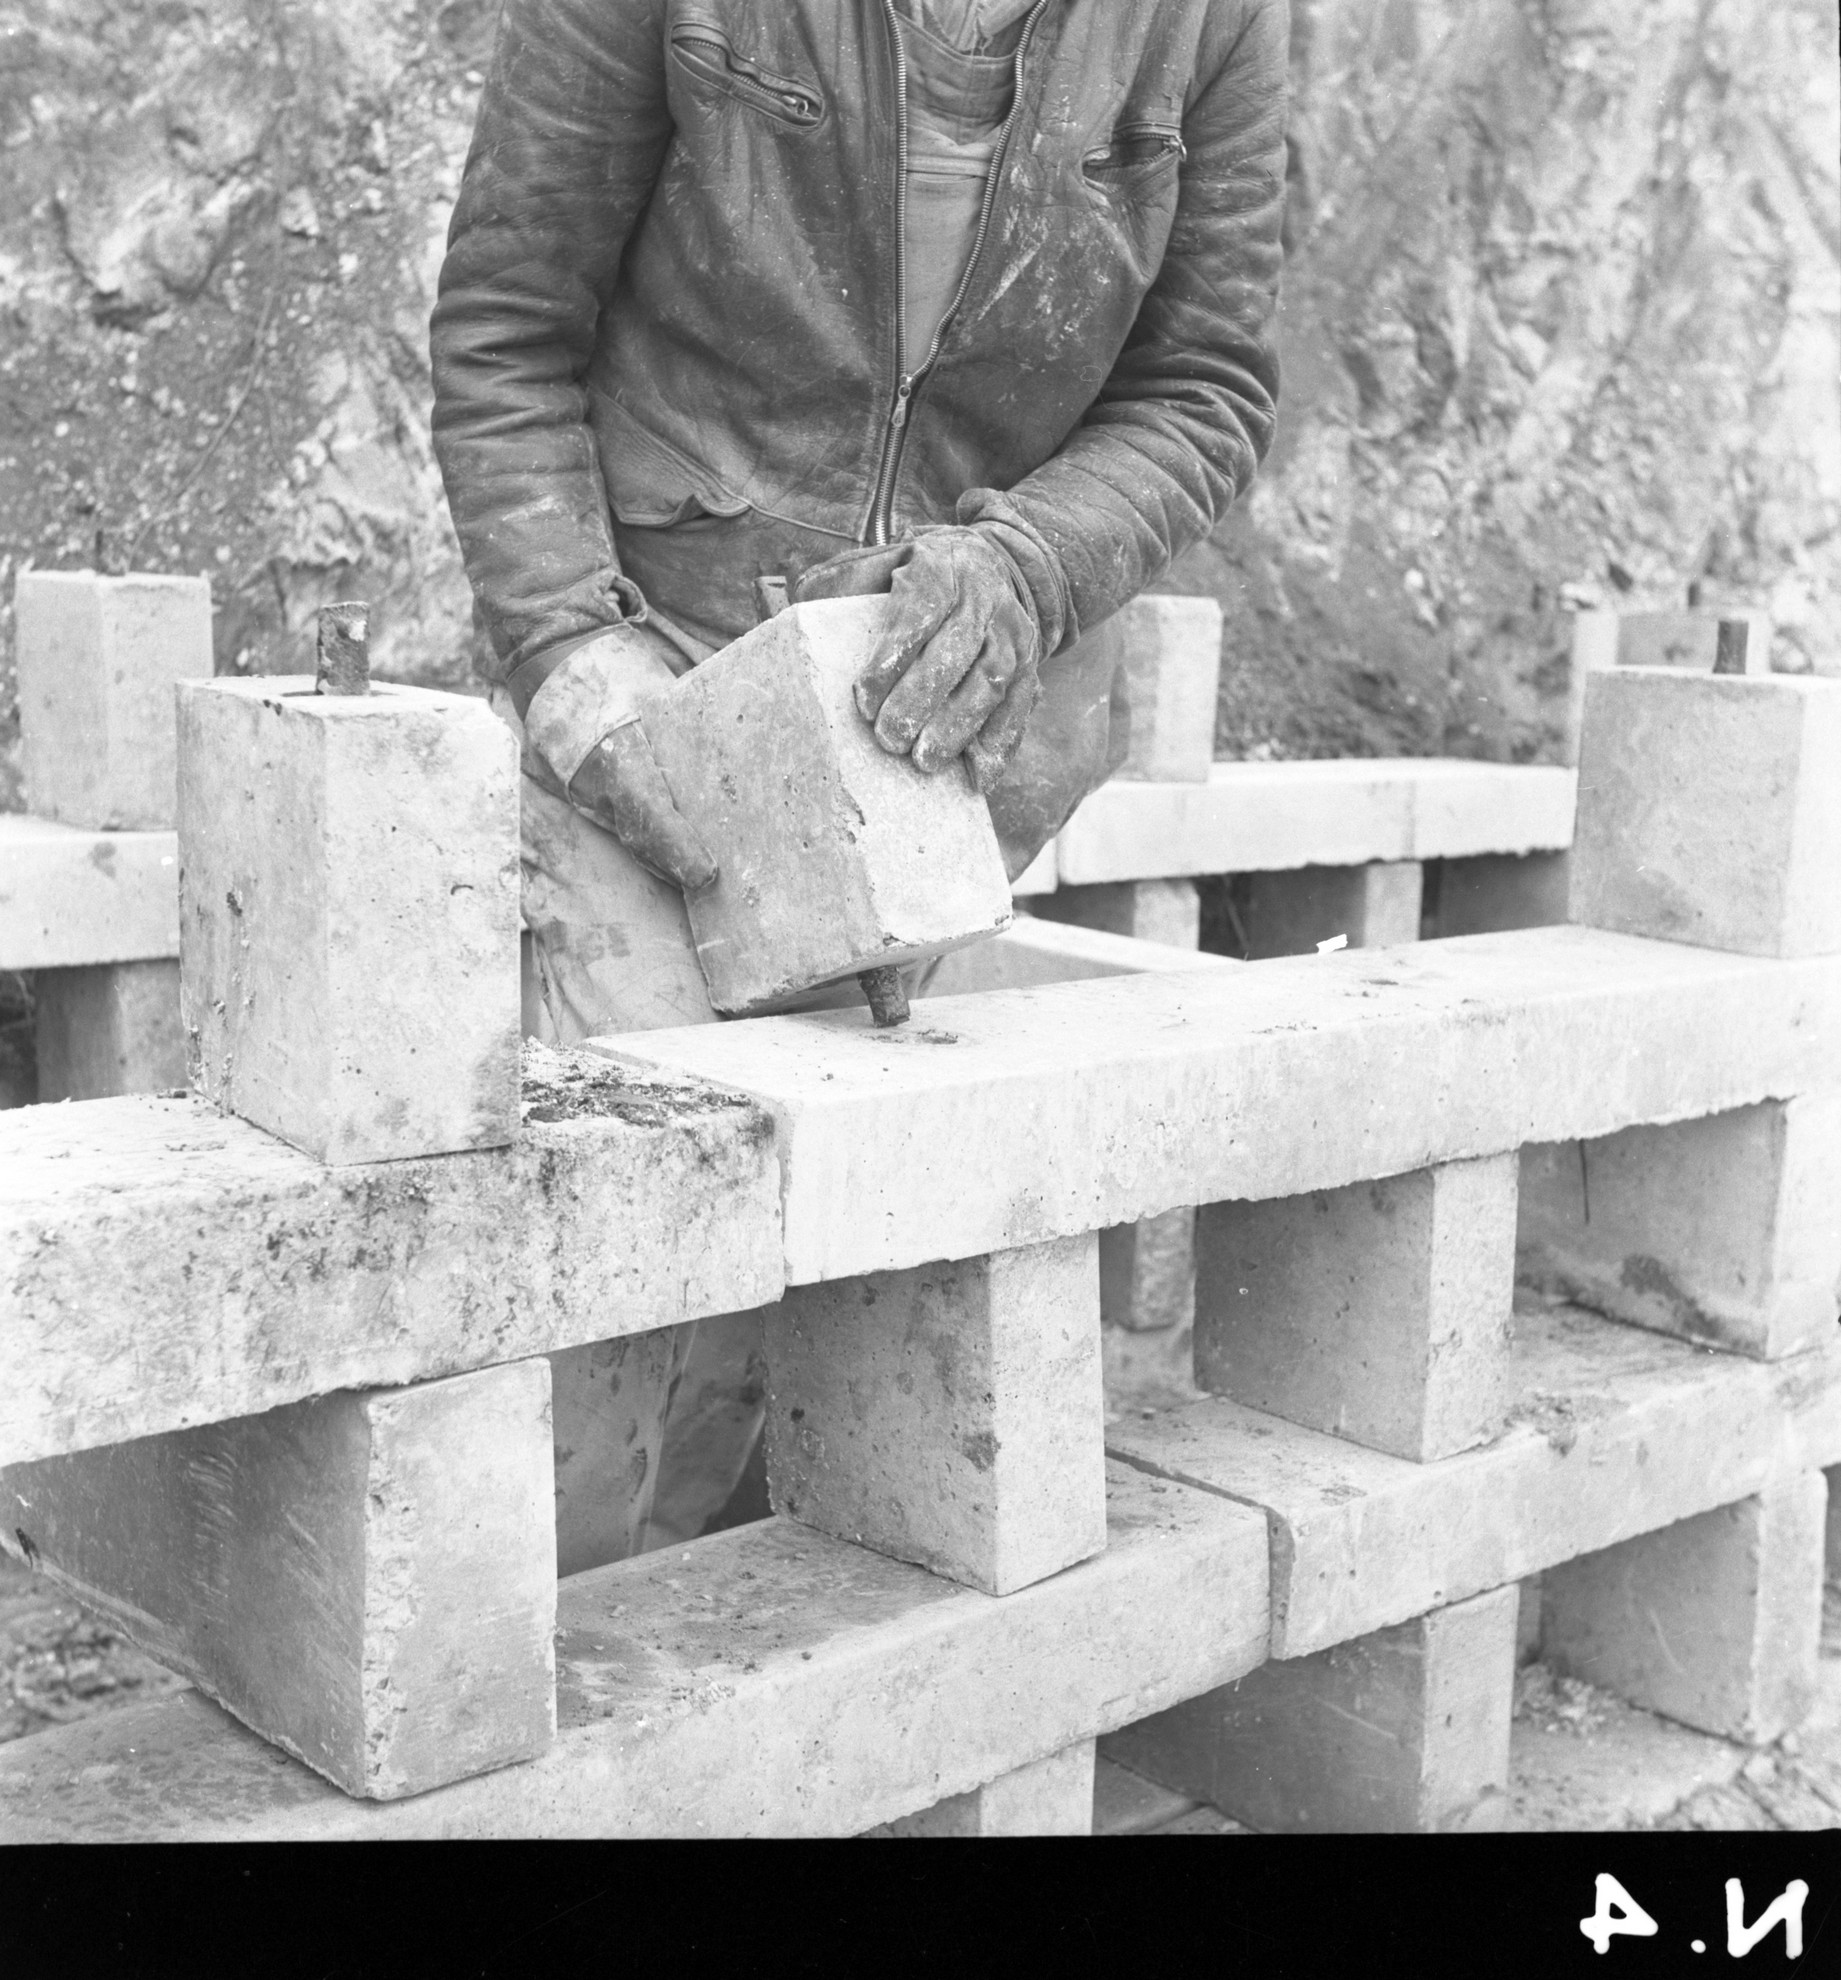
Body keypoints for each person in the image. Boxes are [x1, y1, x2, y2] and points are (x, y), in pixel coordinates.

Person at [431, 0, 1289, 1571]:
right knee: (626, 1260)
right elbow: (507, 330)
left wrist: (1026, 567)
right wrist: (569, 656)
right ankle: (572, 1679)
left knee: (845, 1274)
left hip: (951, 719)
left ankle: (766, 1697)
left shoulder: (1205, 23)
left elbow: (1204, 386)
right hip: (665, 668)